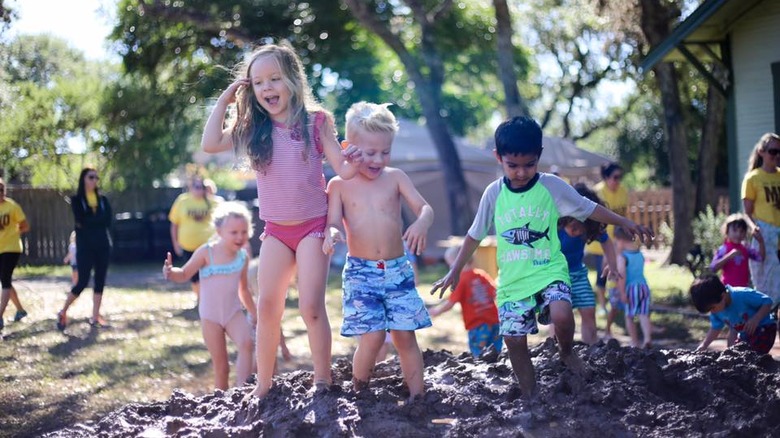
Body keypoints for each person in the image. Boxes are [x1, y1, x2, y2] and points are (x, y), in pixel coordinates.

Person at [430, 116, 653, 398]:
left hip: (549, 270)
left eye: (529, 164)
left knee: (561, 313)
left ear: (539, 157)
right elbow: (474, 235)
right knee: (513, 339)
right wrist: (455, 271)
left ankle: (566, 351)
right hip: (512, 280)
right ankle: (530, 395)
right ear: (499, 158)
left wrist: (625, 222)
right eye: (513, 165)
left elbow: (589, 208)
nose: (522, 172)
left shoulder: (551, 186)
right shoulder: (494, 193)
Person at [201, 42, 362, 400]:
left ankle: (323, 379)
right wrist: (225, 101)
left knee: (309, 306)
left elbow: (344, 170)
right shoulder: (252, 127)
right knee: (267, 308)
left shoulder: (316, 122)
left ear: (292, 80)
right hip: (275, 231)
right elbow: (210, 143)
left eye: (274, 79)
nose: (267, 88)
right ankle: (264, 383)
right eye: (258, 83)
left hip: (312, 227)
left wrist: (356, 153)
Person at [322, 101, 433, 399]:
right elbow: (332, 222)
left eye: (385, 152)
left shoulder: (395, 178)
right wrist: (331, 235)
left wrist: (422, 223)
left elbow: (425, 208)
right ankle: (360, 391)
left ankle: (418, 396)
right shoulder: (338, 185)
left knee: (404, 336)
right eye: (370, 152)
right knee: (371, 338)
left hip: (397, 269)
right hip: (361, 273)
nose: (378, 159)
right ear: (347, 147)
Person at [163, 202, 256, 390]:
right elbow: (185, 274)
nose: (240, 237)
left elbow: (243, 289)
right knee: (221, 368)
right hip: (210, 317)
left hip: (233, 313)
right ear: (219, 231)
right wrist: (171, 273)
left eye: (244, 232)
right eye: (234, 232)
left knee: (247, 343)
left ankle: (243, 391)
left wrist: (255, 313)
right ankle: (220, 404)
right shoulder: (207, 252)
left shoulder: (243, 257)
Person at [557, 184, 618, 345]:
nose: (577, 233)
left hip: (578, 274)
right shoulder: (554, 225)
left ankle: (591, 347)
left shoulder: (590, 226)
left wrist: (613, 266)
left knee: (589, 309)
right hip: (554, 277)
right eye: (574, 227)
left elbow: (607, 242)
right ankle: (557, 348)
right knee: (559, 316)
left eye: (582, 231)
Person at [57, 168, 112, 330]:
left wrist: (91, 221)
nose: (94, 180)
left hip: (103, 245)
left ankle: (95, 316)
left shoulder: (103, 200)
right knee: (82, 282)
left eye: (96, 177)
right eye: (91, 177)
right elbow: (81, 221)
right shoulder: (76, 200)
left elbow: (107, 221)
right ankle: (63, 311)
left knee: (100, 280)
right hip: (85, 247)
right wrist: (94, 220)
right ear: (83, 179)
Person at [429, 245, 502, 357]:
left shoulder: (461, 279)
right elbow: (495, 293)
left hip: (477, 325)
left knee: (479, 356)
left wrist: (436, 311)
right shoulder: (481, 275)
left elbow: (450, 303)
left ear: (456, 263)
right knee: (496, 353)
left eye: (450, 264)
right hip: (495, 322)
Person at [690, 275, 777, 355]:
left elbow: (767, 301)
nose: (712, 312)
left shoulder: (742, 295)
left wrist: (756, 319)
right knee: (732, 353)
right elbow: (715, 328)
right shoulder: (716, 309)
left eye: (712, 308)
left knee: (749, 354)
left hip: (765, 329)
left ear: (723, 296)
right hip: (745, 334)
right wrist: (704, 345)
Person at [583, 162, 628, 316]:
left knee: (617, 272)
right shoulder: (597, 192)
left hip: (616, 241)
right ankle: (602, 305)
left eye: (620, 177)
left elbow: (623, 216)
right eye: (615, 177)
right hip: (599, 242)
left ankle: (616, 301)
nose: (618, 181)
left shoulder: (623, 192)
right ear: (606, 177)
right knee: (602, 275)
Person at [741, 133, 780, 309]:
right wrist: (754, 230)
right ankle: (764, 329)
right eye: (773, 151)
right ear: (761, 152)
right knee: (767, 288)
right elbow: (747, 213)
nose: (777, 156)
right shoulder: (753, 178)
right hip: (765, 239)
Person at [169, 173, 219, 308]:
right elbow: (174, 223)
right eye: (195, 186)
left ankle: (207, 300)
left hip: (209, 246)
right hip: (188, 245)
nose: (198, 189)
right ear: (190, 187)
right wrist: (176, 243)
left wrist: (210, 193)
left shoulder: (214, 202)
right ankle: (200, 300)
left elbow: (224, 219)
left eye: (201, 186)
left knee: (210, 274)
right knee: (194, 276)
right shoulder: (182, 201)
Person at [613, 226, 653, 348]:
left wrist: (622, 293)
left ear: (620, 240)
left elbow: (621, 276)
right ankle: (647, 339)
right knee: (643, 314)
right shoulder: (639, 253)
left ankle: (634, 342)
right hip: (644, 287)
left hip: (631, 288)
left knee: (629, 316)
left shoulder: (622, 257)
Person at [0, 178, 30, 336]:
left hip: (11, 248)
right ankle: (20, 310)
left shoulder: (12, 206)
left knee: (5, 280)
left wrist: (15, 232)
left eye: (1, 189)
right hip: (0, 249)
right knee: (5, 281)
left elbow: (25, 225)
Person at [710, 213, 765, 287]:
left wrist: (761, 242)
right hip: (728, 290)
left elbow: (760, 258)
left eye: (742, 231)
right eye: (735, 230)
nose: (738, 234)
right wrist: (729, 256)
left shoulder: (746, 248)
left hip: (743, 288)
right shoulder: (724, 249)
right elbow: (713, 267)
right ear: (727, 231)